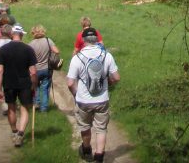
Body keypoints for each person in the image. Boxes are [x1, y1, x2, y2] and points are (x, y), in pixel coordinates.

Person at [67, 27, 120, 162]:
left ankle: (86, 150)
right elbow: (116, 78)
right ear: (97, 39)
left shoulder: (77, 58)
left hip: (83, 100)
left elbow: (70, 82)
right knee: (101, 128)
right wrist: (107, 84)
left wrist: (76, 94)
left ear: (83, 40)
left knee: (85, 127)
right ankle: (99, 156)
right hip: (102, 99)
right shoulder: (106, 55)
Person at [0, 24, 38, 148]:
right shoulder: (28, 49)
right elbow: (33, 71)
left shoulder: (4, 49)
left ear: (11, 34)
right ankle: (20, 133)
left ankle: (14, 131)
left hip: (9, 83)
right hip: (25, 84)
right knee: (24, 108)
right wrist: (34, 85)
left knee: (11, 108)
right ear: (22, 35)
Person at [28, 25, 60, 113]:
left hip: (36, 69)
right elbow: (57, 51)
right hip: (47, 69)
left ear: (33, 33)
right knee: (45, 88)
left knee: (36, 87)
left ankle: (36, 103)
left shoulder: (31, 44)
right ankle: (44, 108)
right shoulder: (48, 41)